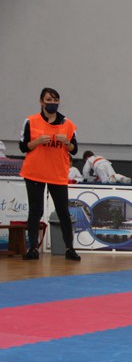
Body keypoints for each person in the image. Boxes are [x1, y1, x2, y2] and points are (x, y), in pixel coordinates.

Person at [18, 87, 81, 261]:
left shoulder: (68, 124)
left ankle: (69, 248)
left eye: (55, 100)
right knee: (35, 211)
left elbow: (74, 149)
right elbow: (23, 147)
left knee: (63, 211)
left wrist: (67, 142)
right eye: (49, 100)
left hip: (57, 173)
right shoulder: (30, 121)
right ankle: (33, 248)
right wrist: (37, 141)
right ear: (41, 102)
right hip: (35, 172)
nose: (52, 103)